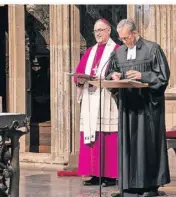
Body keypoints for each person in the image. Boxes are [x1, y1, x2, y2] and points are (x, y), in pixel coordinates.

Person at [106, 19, 171, 197]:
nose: (124, 42)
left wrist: (143, 75)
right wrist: (114, 75)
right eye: (121, 39)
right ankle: (128, 185)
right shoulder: (119, 53)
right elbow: (110, 72)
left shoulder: (152, 49)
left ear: (135, 33)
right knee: (128, 144)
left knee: (146, 145)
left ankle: (149, 186)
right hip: (128, 109)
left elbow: (163, 77)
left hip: (147, 109)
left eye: (126, 38)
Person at [74, 18, 119, 187]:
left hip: (106, 98)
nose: (98, 33)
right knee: (90, 136)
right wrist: (79, 79)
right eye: (95, 31)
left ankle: (109, 175)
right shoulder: (90, 51)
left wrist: (106, 78)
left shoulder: (116, 50)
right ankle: (93, 173)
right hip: (90, 97)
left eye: (101, 30)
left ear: (109, 31)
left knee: (107, 135)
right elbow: (80, 72)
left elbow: (118, 73)